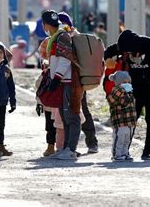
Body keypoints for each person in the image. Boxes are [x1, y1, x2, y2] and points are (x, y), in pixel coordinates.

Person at [104, 29, 150, 160]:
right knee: (131, 118)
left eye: (128, 51)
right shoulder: (123, 46)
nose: (126, 54)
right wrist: (108, 58)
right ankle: (124, 150)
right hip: (135, 87)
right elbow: (109, 51)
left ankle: (147, 151)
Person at [41, 10, 83, 160]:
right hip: (62, 82)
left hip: (69, 82)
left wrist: (56, 78)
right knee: (65, 117)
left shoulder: (61, 36)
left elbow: (65, 60)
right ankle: (66, 147)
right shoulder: (57, 36)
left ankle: (71, 149)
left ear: (44, 25)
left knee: (72, 115)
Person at [57, 12, 99, 154]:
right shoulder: (62, 36)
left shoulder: (75, 38)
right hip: (67, 80)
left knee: (81, 110)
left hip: (77, 81)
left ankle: (90, 142)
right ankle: (70, 145)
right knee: (74, 112)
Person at [106, 71, 137, 161]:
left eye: (128, 82)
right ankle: (117, 154)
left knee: (127, 139)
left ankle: (125, 153)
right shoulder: (116, 91)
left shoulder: (129, 92)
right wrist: (122, 90)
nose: (126, 84)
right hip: (120, 121)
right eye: (124, 82)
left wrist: (128, 92)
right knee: (119, 138)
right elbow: (116, 101)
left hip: (130, 121)